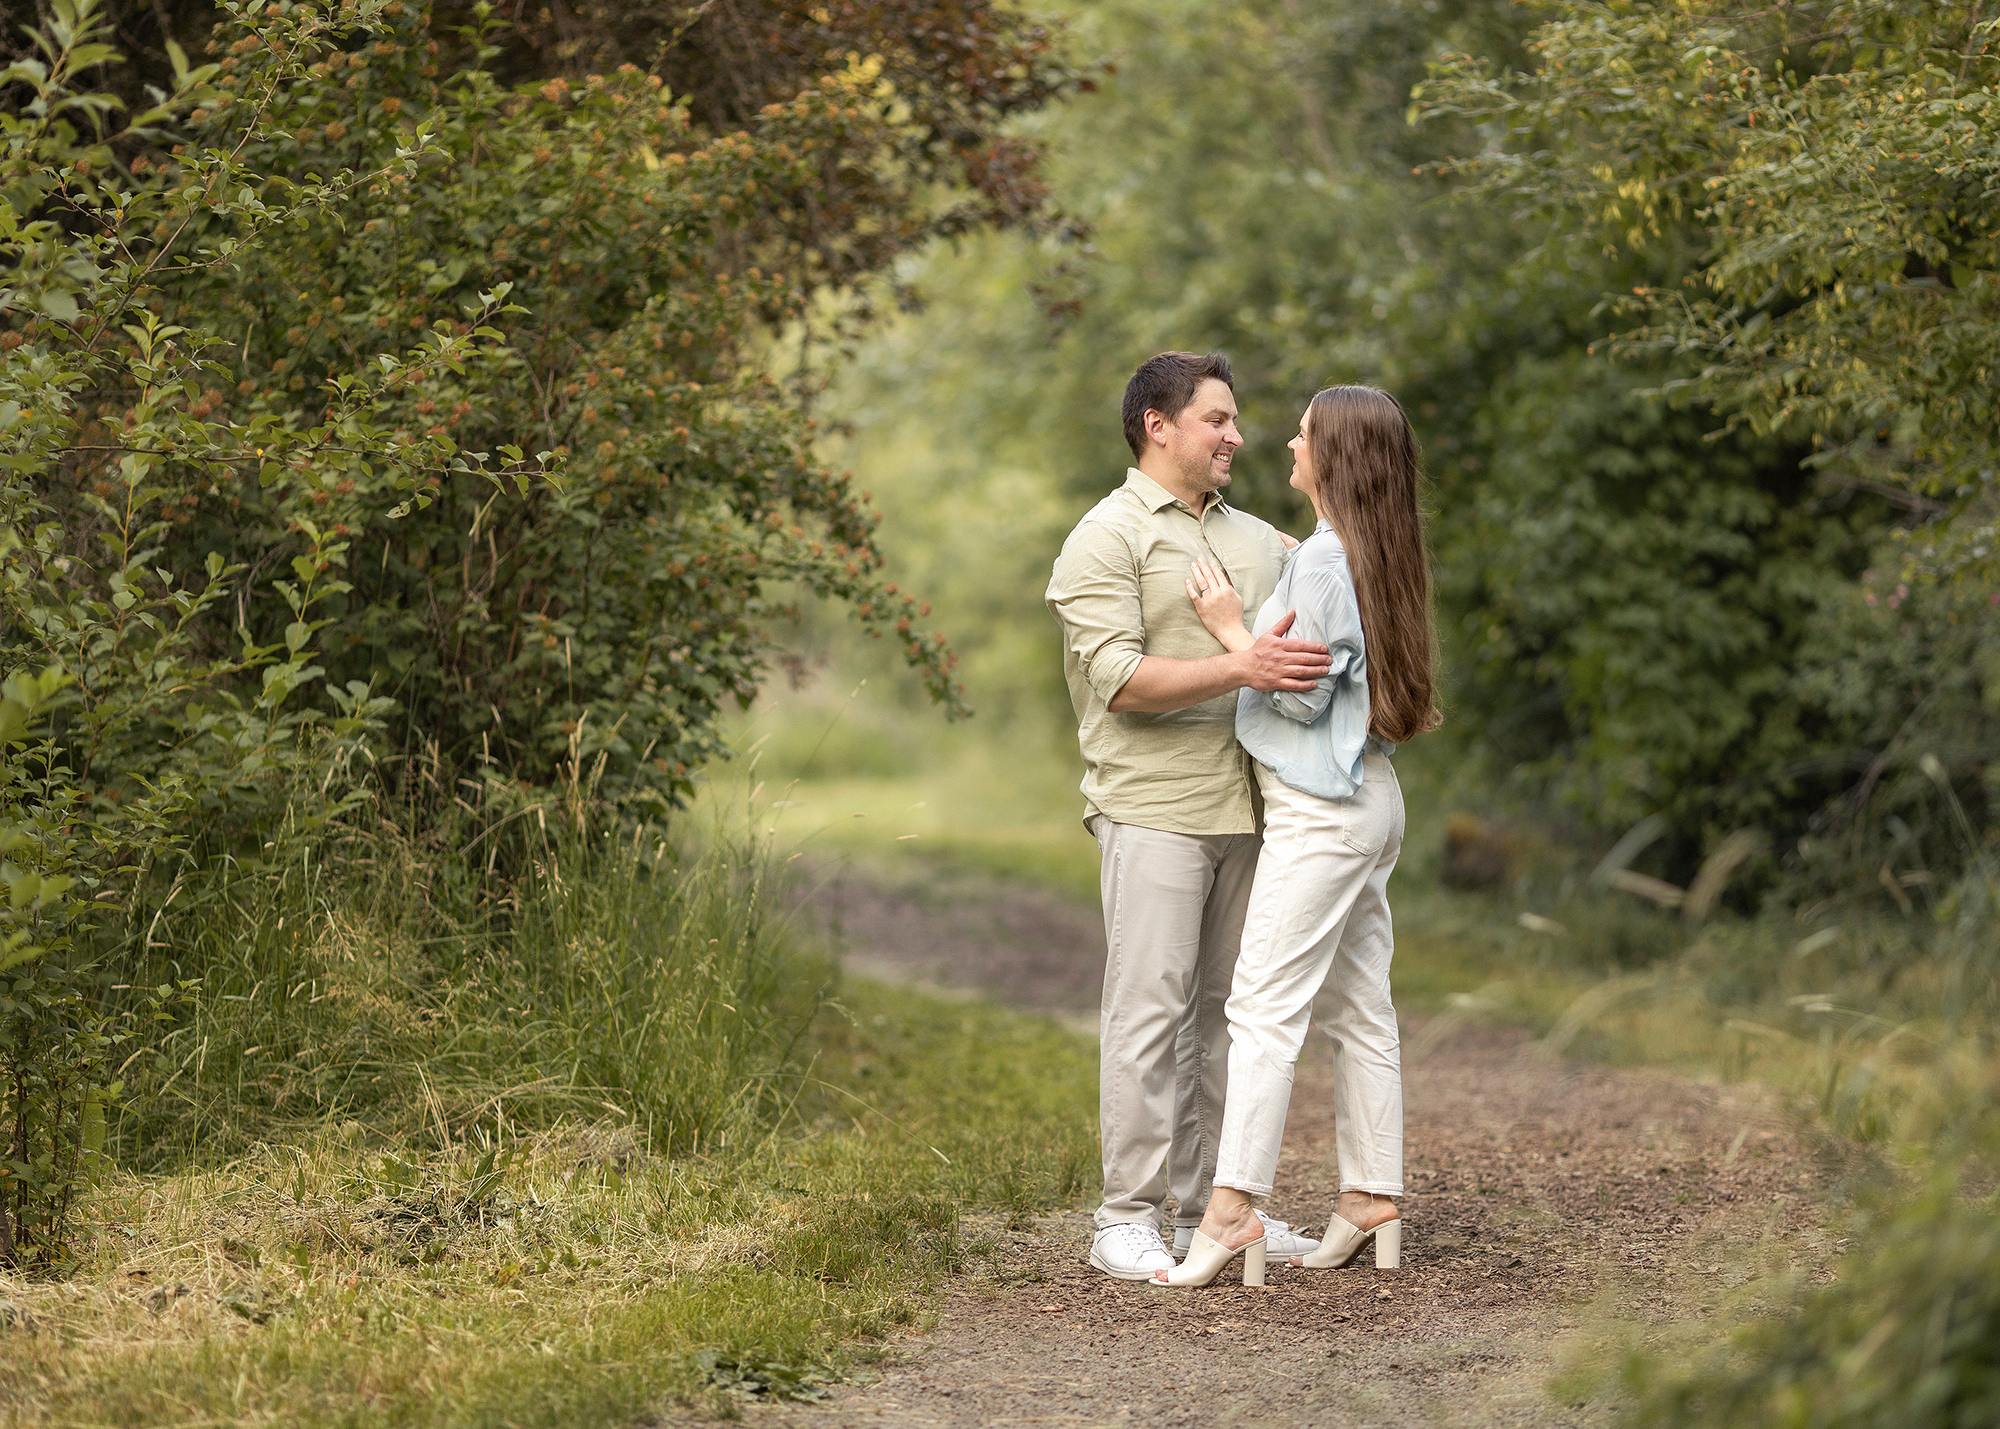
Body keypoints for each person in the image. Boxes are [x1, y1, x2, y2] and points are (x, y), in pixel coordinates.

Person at [1045, 351, 1333, 1281]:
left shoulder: (1257, 540)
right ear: (1158, 425)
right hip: (1153, 810)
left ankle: (1219, 1206)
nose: (1237, 437)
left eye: (1238, 420)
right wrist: (1240, 666)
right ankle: (1125, 1216)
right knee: (1149, 1012)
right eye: (1218, 419)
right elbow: (1122, 681)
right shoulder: (1106, 537)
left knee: (1230, 1015)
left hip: (1253, 810)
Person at [1152, 384, 1441, 1289]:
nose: (1287, 441)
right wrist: (1290, 567)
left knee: (1262, 1009)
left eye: (1305, 435)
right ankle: (1370, 1197)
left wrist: (1234, 629)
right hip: (1373, 798)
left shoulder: (1323, 563)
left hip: (1320, 809)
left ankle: (1231, 1210)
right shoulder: (1365, 550)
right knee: (1360, 1007)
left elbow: (1307, 690)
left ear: (1335, 458)